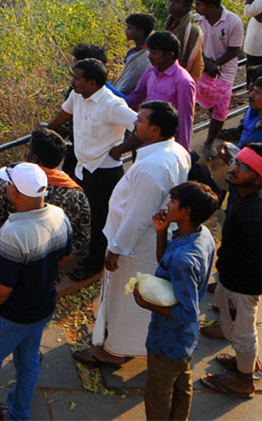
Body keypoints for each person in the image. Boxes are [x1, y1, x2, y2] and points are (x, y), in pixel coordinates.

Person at [75, 101, 190, 368]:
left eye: (141, 120)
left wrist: (116, 249)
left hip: (137, 245)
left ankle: (115, 350)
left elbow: (137, 215)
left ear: (154, 130)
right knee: (135, 294)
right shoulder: (175, 151)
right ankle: (124, 342)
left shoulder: (153, 168)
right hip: (149, 240)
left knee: (127, 297)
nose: (135, 123)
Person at [0, 163, 72, 421]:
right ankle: (18, 414)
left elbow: (1, 289)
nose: (7, 187)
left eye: (9, 184)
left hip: (8, 317)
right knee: (29, 361)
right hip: (41, 307)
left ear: (16, 194)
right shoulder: (59, 216)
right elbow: (65, 257)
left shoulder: (13, 233)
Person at [0, 127, 90, 335]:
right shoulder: (75, 195)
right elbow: (81, 237)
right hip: (48, 263)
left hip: (7, 254)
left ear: (32, 157)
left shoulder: (10, 187)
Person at [200, 143, 262, 398]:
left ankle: (245, 380)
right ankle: (243, 362)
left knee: (245, 332)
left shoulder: (252, 215)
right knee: (236, 324)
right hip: (235, 278)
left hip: (243, 284)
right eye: (236, 163)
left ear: (258, 176)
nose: (234, 169)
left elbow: (258, 257)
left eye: (243, 168)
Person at [135, 181, 219, 421]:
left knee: (157, 394)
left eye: (173, 202)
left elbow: (187, 313)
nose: (168, 205)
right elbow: (166, 262)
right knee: (182, 383)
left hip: (168, 339)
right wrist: (161, 231)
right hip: (185, 340)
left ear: (187, 211)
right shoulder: (202, 235)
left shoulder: (185, 259)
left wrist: (145, 303)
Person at [47, 58, 135, 280]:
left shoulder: (113, 105)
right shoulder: (77, 95)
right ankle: (85, 254)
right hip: (81, 167)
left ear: (92, 83)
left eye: (77, 78)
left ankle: (95, 264)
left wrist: (122, 149)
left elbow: (141, 128)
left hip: (104, 172)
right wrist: (48, 130)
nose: (73, 82)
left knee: (100, 220)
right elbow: (65, 114)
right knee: (82, 214)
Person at [193, 0, 245, 160]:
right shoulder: (196, 20)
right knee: (193, 99)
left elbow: (234, 50)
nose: (196, 7)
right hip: (201, 67)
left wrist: (215, 64)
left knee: (220, 107)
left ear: (211, 6)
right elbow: (194, 46)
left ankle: (209, 141)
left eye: (199, 4)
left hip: (225, 70)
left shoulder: (233, 21)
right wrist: (206, 63)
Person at [126, 31, 196, 151]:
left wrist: (183, 152)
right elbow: (136, 96)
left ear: (169, 55)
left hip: (164, 145)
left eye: (154, 53)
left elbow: (185, 119)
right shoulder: (151, 71)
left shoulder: (183, 81)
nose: (149, 56)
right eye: (149, 52)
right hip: (144, 140)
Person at [164, 0, 204, 82]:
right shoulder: (171, 22)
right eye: (170, 0)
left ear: (188, 5)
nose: (171, 4)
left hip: (182, 79)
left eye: (177, 2)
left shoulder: (192, 30)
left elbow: (190, 62)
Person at [115, 13, 154, 95]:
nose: (126, 31)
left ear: (140, 32)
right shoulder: (137, 51)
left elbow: (126, 87)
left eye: (129, 28)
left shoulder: (143, 57)